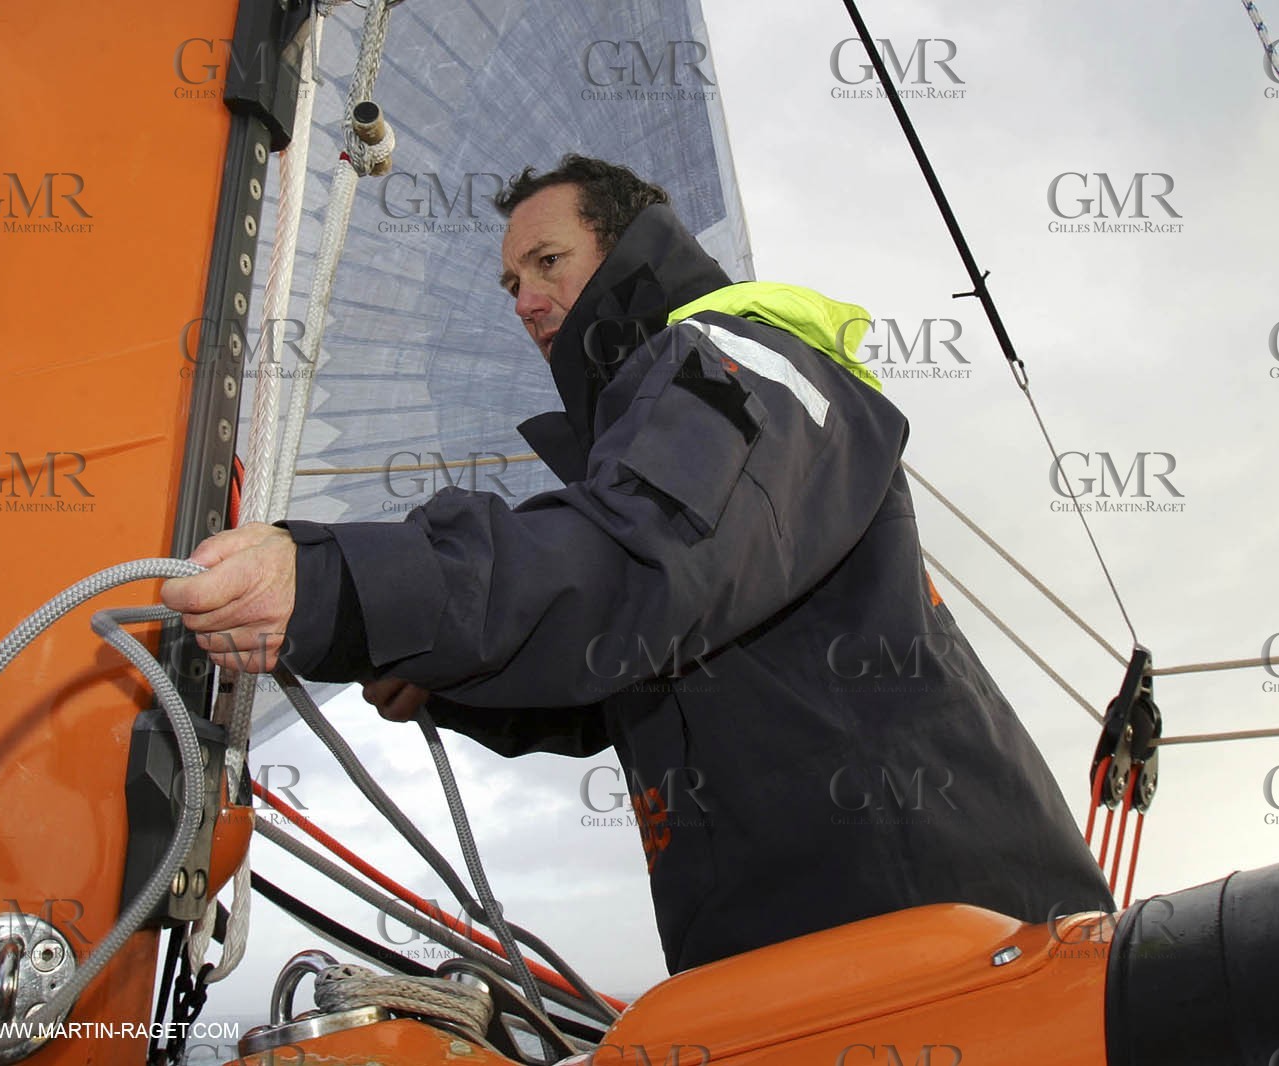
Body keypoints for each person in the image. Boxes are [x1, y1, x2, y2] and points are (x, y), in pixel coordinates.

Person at [160, 154, 1115, 975]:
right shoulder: (654, 423)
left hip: (937, 930)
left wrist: (336, 583)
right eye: (511, 286)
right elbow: (623, 675)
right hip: (798, 955)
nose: (527, 302)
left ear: (626, 250)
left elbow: (643, 559)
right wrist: (438, 677)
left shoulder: (738, 359)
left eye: (548, 263)